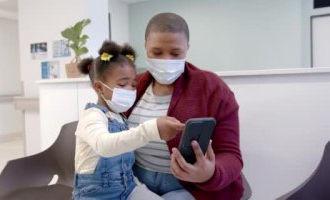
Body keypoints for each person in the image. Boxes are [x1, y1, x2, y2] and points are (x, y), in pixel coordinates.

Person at [126, 13, 244, 200]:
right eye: (156, 52)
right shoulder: (131, 86)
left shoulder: (213, 88)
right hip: (135, 181)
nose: (166, 60)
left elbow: (231, 155)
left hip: (191, 187)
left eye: (175, 53)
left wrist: (209, 174)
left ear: (187, 49)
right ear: (145, 47)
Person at [72, 40, 185, 200]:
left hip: (128, 189)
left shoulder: (120, 118)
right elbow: (104, 145)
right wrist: (151, 130)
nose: (131, 90)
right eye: (123, 84)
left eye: (133, 84)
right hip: (95, 195)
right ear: (99, 87)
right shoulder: (92, 116)